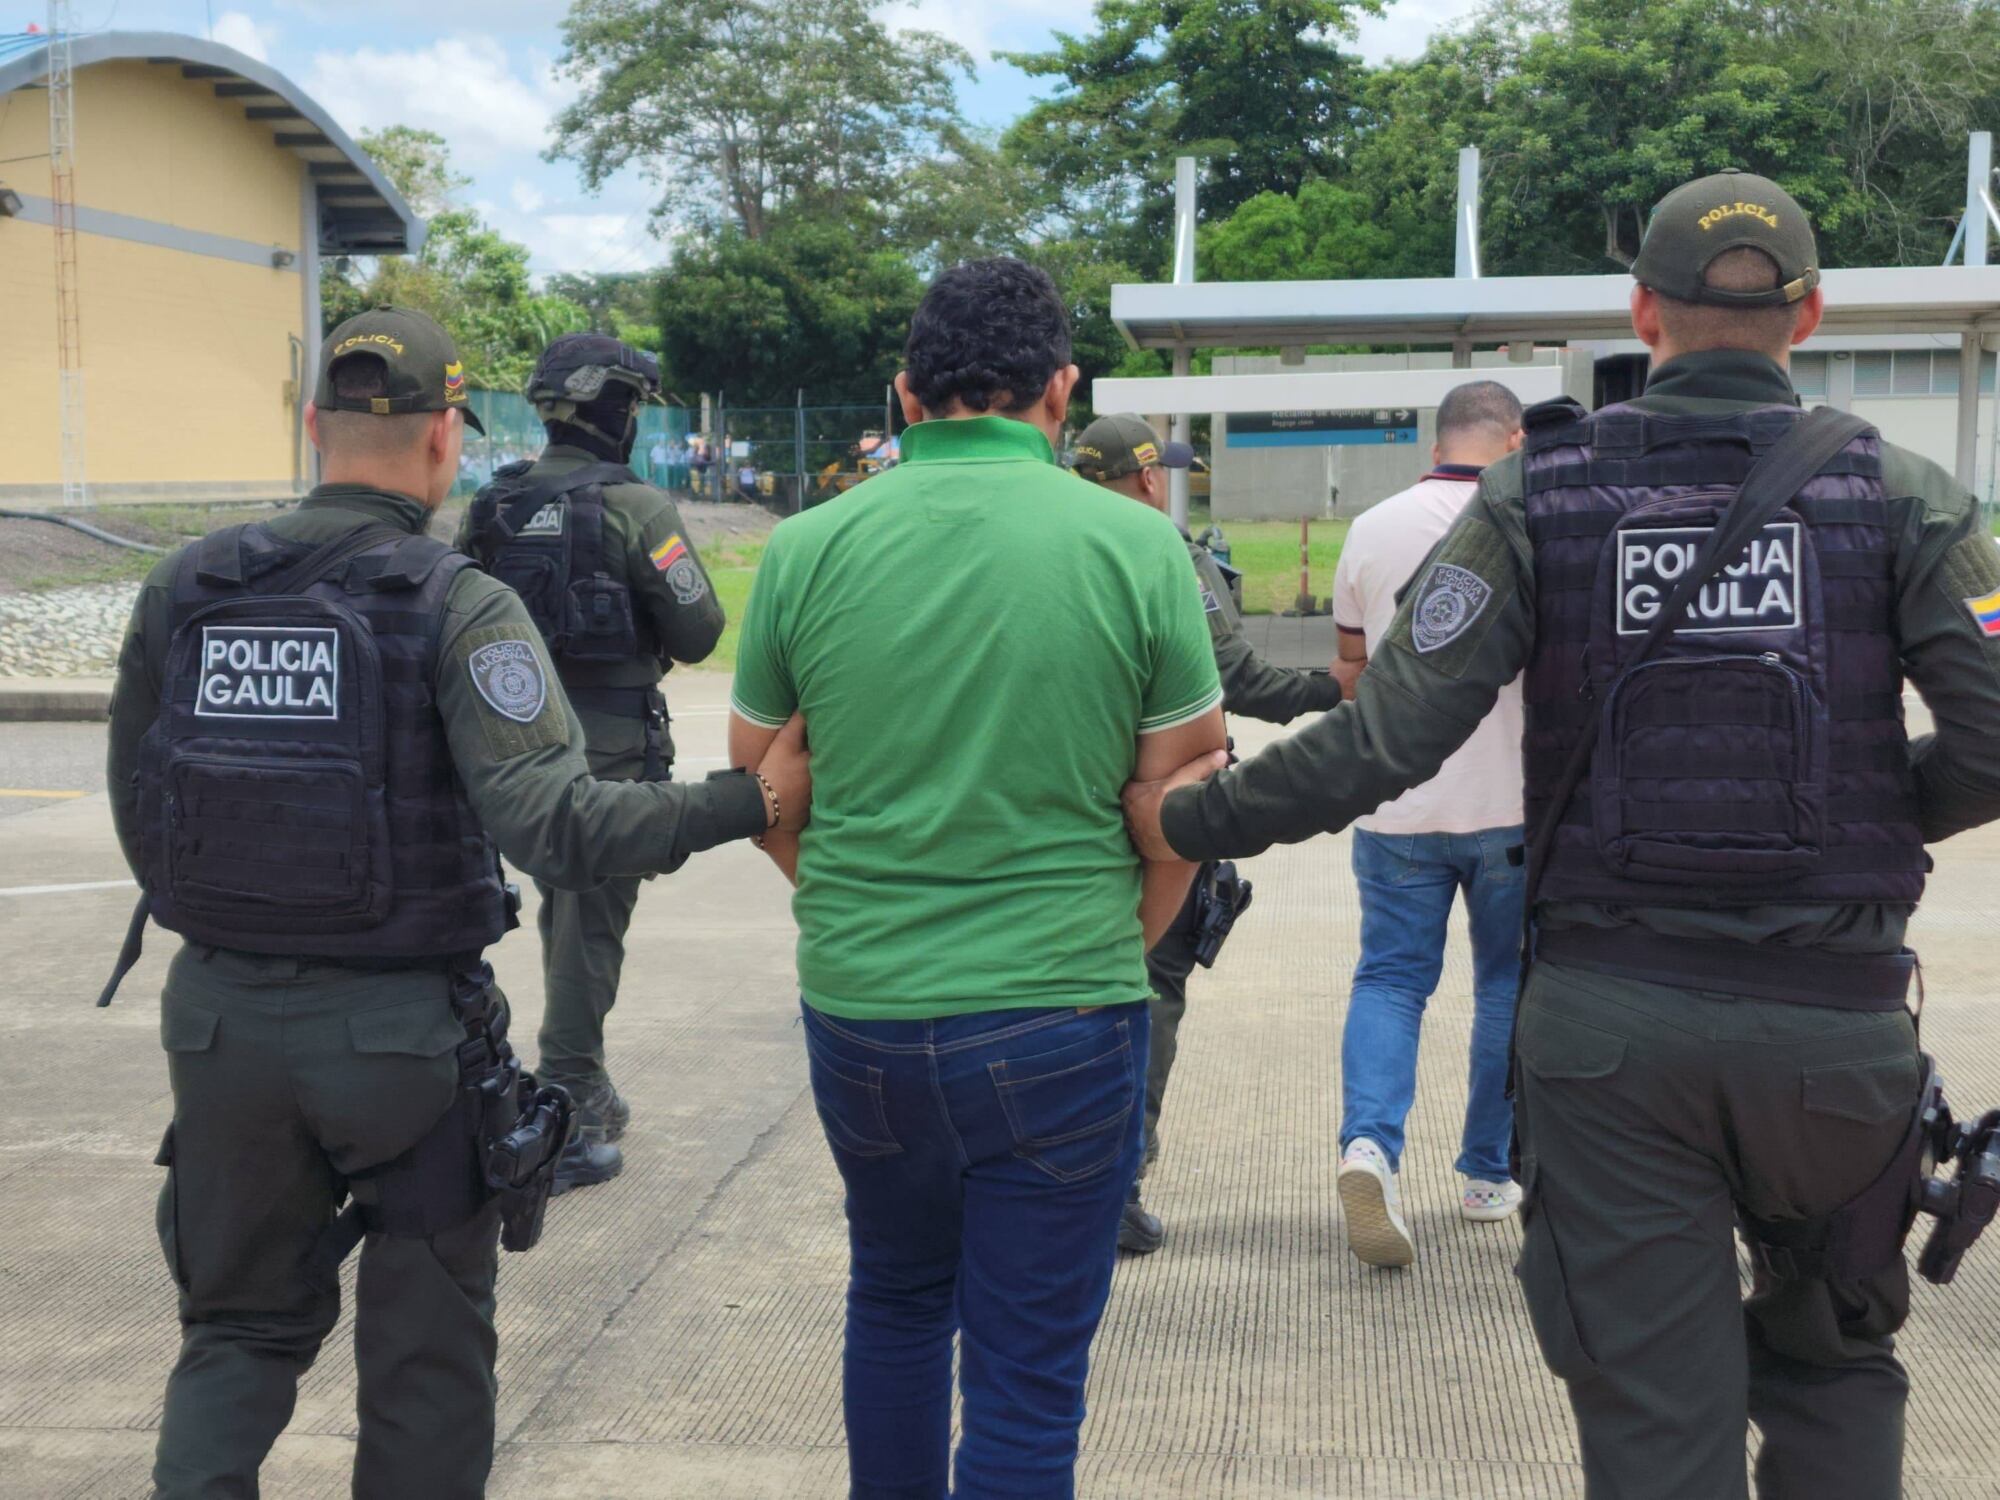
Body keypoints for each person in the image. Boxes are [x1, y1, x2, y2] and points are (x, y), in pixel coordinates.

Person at [1124, 170, 2000, 1498]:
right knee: (1834, 1368)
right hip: (1832, 1033)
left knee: (1652, 1416)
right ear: (1809, 314)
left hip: (1613, 1041)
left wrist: (1185, 819)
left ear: (1641, 313)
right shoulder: (1911, 497)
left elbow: (1382, 740)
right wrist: (1854, 809)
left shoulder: (1537, 495)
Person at [105, 307, 807, 1500]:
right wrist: (751, 800)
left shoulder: (186, 586)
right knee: (424, 1360)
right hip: (398, 1043)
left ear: (315, 426)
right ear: (445, 437)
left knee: (233, 1333)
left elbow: (141, 810)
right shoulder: (454, 601)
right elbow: (559, 827)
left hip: (217, 1028)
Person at [727, 258, 1227, 1498]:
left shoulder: (806, 546)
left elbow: (759, 788)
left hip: (864, 1007)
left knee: (896, 1301)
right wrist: (1110, 941)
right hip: (1065, 1003)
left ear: (905, 395)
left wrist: (850, 902)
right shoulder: (1136, 543)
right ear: (1061, 390)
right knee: (1026, 1376)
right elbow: (1180, 806)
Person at [459, 334, 728, 1195]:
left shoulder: (490, 506)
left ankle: (551, 1087)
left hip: (493, 756)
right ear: (619, 412)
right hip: (606, 758)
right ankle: (569, 1104)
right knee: (586, 928)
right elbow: (699, 631)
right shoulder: (637, 508)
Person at [1073, 411, 1344, 1254]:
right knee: (1150, 986)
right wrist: (1334, 687)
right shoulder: (1163, 551)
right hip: (1156, 802)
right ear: (1150, 477)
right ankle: (1115, 1185)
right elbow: (1238, 678)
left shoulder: (1052, 541)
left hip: (1061, 796)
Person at [1324, 381, 1527, 1267]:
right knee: (1507, 987)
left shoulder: (1372, 527)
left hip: (1396, 803)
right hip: (1510, 803)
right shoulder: (1529, 524)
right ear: (1515, 441)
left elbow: (1350, 671)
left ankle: (1369, 1148)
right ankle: (1486, 1173)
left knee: (1390, 981)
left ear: (1436, 443)